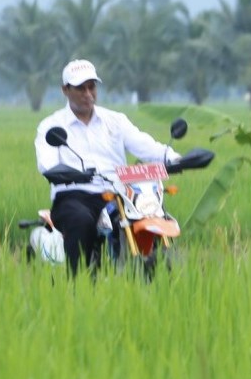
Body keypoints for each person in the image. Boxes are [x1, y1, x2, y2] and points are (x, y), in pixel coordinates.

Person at [34, 59, 181, 275]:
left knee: (152, 215)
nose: (88, 93)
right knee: (80, 220)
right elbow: (47, 164)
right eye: (80, 88)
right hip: (75, 195)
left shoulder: (115, 121)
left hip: (119, 194)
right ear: (65, 90)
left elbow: (147, 146)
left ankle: (156, 272)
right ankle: (79, 283)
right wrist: (68, 173)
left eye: (91, 87)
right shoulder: (51, 126)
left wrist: (177, 159)